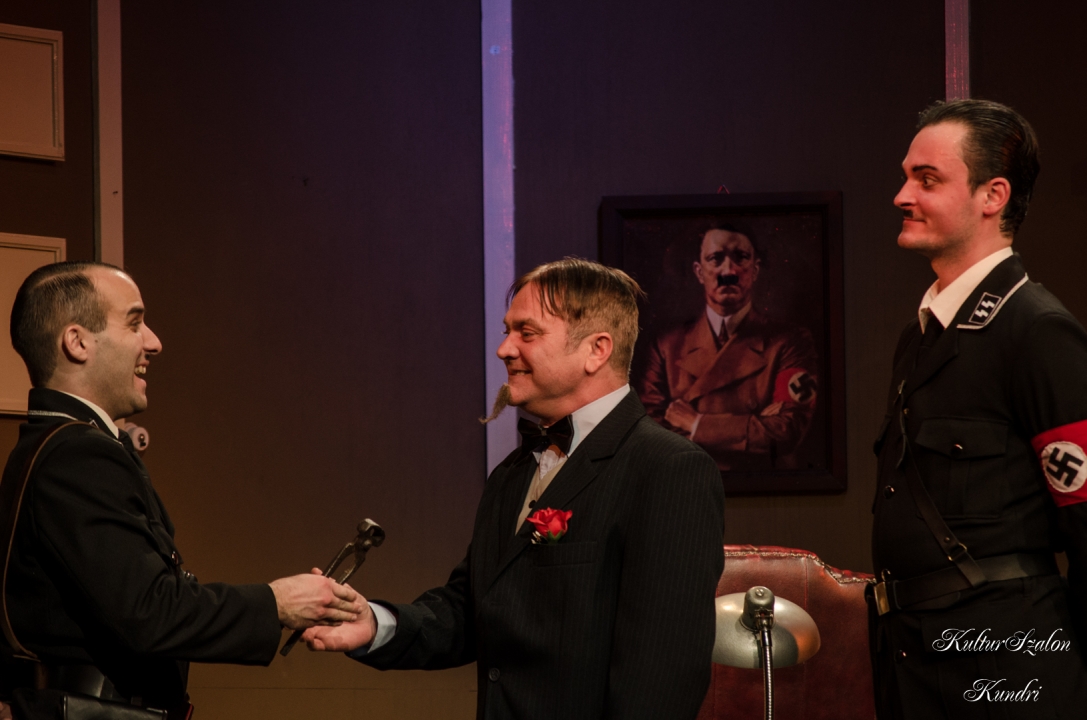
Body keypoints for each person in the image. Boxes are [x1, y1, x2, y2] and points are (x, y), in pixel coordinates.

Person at [304, 258, 725, 719]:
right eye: (508, 332)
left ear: (596, 350)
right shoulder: (511, 473)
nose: (504, 349)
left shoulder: (668, 470)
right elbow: (471, 611)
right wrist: (374, 623)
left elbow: (662, 679)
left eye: (527, 332)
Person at [0, 262, 363, 718]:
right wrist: (277, 603)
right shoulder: (77, 455)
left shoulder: (53, 446)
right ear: (77, 342)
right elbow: (147, 612)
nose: (153, 342)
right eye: (134, 322)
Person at [870, 99, 1087, 718]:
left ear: (993, 196)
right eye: (906, 176)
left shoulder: (1036, 329)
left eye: (927, 179)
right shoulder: (920, 336)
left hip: (1007, 663)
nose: (902, 195)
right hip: (914, 660)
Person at [638, 225, 818, 471]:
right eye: (716, 258)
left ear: (755, 270)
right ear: (699, 272)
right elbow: (648, 435)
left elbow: (787, 431)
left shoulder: (791, 342)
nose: (728, 272)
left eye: (740, 258)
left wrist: (696, 424)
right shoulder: (666, 346)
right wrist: (755, 425)